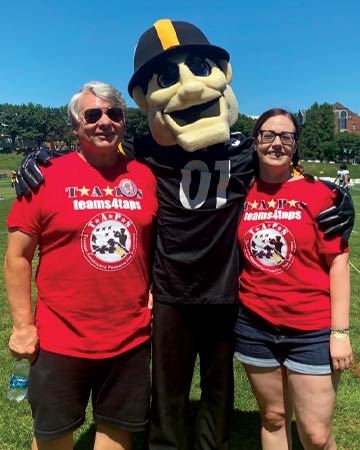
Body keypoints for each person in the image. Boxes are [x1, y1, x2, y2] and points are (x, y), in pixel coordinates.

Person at [14, 20, 355, 450]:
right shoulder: (148, 150)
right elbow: (98, 149)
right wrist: (44, 155)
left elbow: (283, 167)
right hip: (171, 291)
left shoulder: (242, 152)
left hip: (226, 290)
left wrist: (339, 197)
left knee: (218, 393)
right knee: (168, 392)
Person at [4, 81, 158, 450]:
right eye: (93, 115)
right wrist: (23, 326)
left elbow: (154, 243)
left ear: (123, 123)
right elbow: (17, 256)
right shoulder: (45, 177)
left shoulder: (144, 177)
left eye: (114, 114)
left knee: (118, 435)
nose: (104, 122)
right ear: (76, 126)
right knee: (53, 438)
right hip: (60, 339)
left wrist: (152, 288)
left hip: (129, 339)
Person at [234, 108, 353, 450]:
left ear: (295, 144)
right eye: (268, 135)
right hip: (255, 326)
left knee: (315, 435)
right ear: (255, 141)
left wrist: (340, 333)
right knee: (273, 418)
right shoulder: (240, 193)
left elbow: (339, 264)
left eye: (286, 136)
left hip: (311, 328)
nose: (276, 144)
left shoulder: (320, 193)